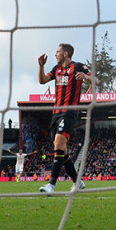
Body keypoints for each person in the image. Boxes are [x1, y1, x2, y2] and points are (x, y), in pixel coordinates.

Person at [38, 43, 91, 195]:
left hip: (70, 112)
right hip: (56, 114)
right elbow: (42, 80)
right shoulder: (56, 69)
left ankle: (51, 185)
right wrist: (41, 66)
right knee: (63, 151)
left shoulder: (78, 66)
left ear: (66, 54)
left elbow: (96, 80)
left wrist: (86, 77)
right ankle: (77, 182)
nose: (55, 54)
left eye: (58, 52)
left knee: (59, 143)